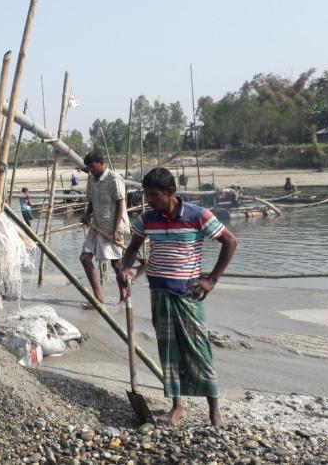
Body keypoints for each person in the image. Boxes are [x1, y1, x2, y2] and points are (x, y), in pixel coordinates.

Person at [120, 168, 238, 427]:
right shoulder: (147, 218)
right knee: (168, 351)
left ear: (171, 193)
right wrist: (126, 268)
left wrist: (211, 280)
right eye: (146, 194)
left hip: (187, 294)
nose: (148, 200)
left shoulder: (198, 216)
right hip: (158, 293)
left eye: (153, 195)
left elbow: (230, 242)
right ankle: (177, 407)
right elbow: (132, 249)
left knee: (199, 350)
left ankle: (214, 413)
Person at [79, 150, 130, 306]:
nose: (91, 170)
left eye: (93, 167)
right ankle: (98, 299)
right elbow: (91, 201)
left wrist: (115, 231)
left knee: (117, 264)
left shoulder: (114, 179)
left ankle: (124, 297)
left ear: (102, 163)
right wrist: (87, 215)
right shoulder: (91, 179)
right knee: (85, 258)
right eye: (89, 168)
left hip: (113, 225)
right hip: (97, 224)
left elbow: (120, 204)